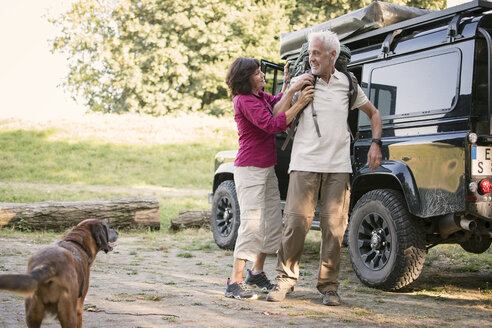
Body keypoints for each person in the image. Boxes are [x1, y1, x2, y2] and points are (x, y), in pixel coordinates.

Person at [266, 31, 383, 306]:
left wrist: (375, 143)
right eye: (310, 53)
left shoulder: (348, 83)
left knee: (334, 227)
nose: (312, 58)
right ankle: (285, 279)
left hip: (338, 167)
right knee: (295, 223)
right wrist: (293, 89)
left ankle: (329, 286)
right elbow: (275, 116)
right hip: (304, 164)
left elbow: (374, 114)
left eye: (317, 53)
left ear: (333, 55)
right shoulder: (301, 80)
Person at [224, 57, 315, 300]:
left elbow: (276, 103)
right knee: (251, 223)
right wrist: (299, 101)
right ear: (245, 79)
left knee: (272, 222)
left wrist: (288, 83)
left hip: (266, 168)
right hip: (250, 169)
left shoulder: (259, 97)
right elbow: (272, 124)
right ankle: (235, 281)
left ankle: (256, 272)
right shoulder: (243, 100)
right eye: (257, 73)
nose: (262, 76)